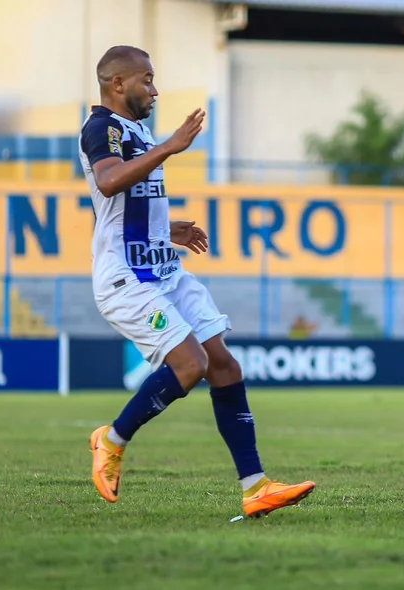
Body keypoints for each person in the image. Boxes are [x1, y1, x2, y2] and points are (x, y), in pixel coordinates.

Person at [80, 45, 315, 518]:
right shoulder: (100, 127)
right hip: (127, 278)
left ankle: (256, 487)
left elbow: (122, 207)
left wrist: (169, 231)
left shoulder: (135, 130)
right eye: (146, 79)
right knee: (190, 366)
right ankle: (111, 439)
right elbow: (107, 183)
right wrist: (169, 146)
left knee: (224, 367)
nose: (155, 88)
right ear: (117, 83)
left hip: (163, 267)